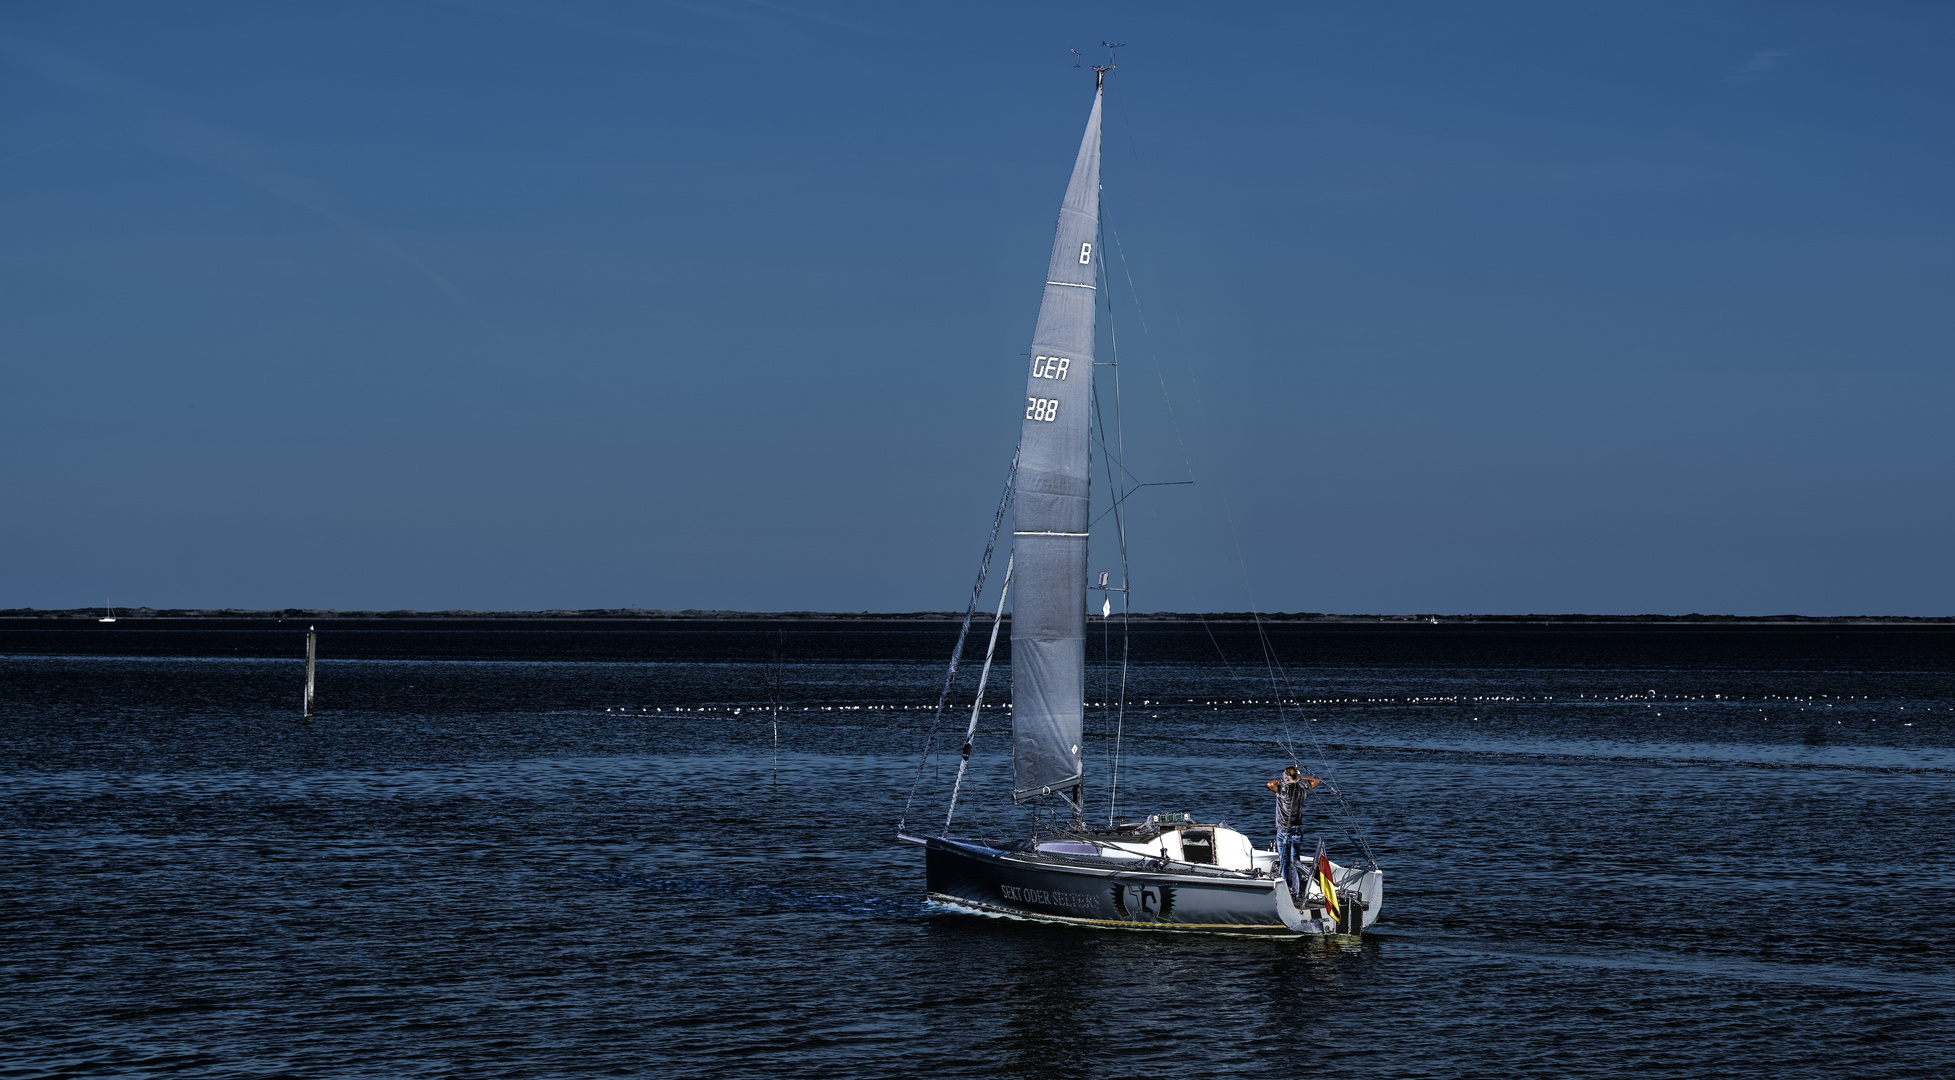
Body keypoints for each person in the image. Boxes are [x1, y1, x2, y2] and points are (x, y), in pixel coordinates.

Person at [1263, 765, 1320, 891]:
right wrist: (1300, 779)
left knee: (1284, 860)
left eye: (1284, 774)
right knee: (1295, 860)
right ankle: (1297, 888)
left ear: (1287, 776)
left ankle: (1286, 886)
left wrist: (1280, 780)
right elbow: (1316, 781)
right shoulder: (1302, 787)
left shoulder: (1281, 788)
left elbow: (1269, 784)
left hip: (1284, 830)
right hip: (1297, 829)